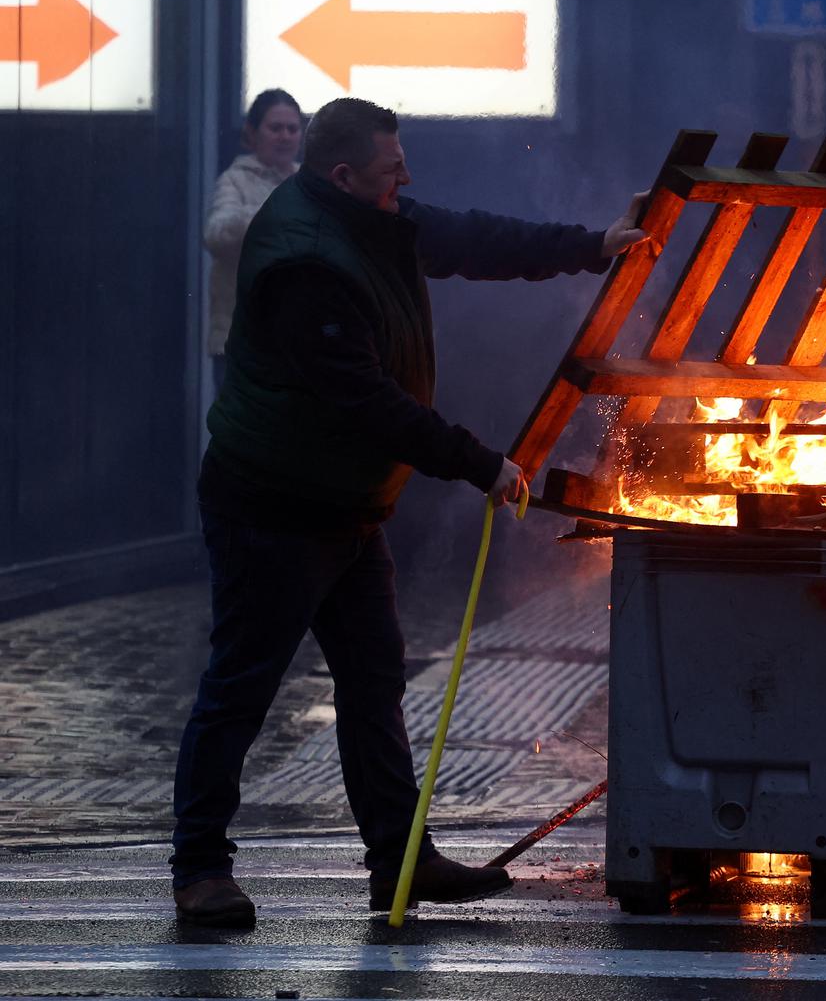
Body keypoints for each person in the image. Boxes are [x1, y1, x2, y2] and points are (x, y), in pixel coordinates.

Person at [172, 97, 649, 927]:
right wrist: (482, 465)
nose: (410, 181)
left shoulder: (365, 213)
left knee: (374, 682)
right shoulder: (307, 261)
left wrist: (589, 246)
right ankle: (200, 869)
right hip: (274, 503)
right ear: (346, 175)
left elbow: (466, 235)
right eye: (395, 170)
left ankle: (401, 857)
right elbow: (369, 404)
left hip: (346, 503)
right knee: (241, 686)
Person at [203, 89, 304, 388]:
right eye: (275, 128)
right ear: (252, 133)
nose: (285, 136)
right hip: (243, 345)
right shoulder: (234, 180)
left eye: (292, 129)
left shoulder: (309, 183)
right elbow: (216, 234)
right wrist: (271, 208)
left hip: (301, 346)